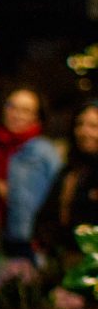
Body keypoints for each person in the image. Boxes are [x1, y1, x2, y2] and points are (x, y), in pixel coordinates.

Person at [0, 87, 61, 260]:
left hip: (30, 240)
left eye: (25, 110)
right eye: (12, 107)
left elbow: (33, 199)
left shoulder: (43, 150)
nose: (16, 114)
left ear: (36, 116)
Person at [34, 101, 98, 265]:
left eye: (93, 126)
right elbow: (48, 216)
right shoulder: (70, 171)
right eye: (80, 124)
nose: (84, 132)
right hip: (67, 264)